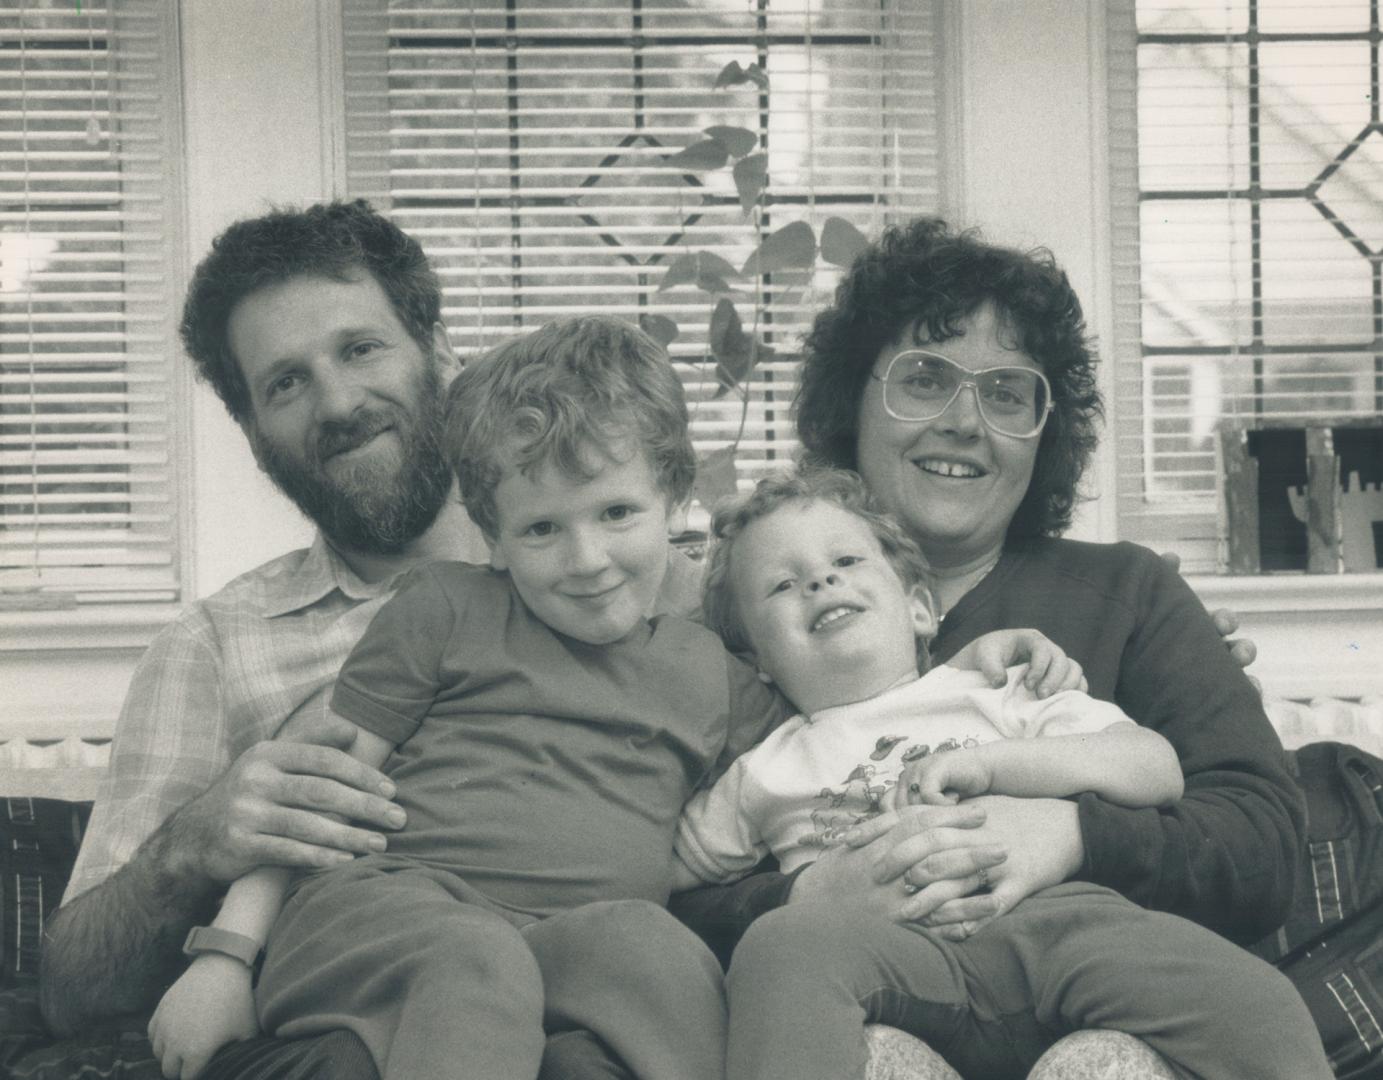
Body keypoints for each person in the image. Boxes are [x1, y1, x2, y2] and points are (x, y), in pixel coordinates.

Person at [37, 202, 693, 1080]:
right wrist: (193, 847)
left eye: (359, 349)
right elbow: (71, 989)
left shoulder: (652, 582)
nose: (339, 402)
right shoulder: (213, 645)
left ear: (437, 350)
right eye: (285, 383)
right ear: (252, 433)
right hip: (352, 1007)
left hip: (596, 970)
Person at [668, 217, 1306, 1076]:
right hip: (878, 992)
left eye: (1006, 393)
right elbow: (663, 884)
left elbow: (1259, 844)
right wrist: (803, 896)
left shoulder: (1126, 594)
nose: (965, 421)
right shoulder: (738, 632)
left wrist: (1069, 834)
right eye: (924, 378)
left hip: (1092, 984)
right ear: (850, 397)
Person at [673, 467, 1329, 1080]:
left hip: (1062, 926)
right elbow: (668, 878)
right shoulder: (764, 770)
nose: (820, 582)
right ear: (754, 659)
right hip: (898, 958)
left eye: (845, 562)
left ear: (919, 607)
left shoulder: (995, 688)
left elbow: (1155, 769)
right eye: (783, 585)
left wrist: (991, 763)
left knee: (1257, 1000)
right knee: (782, 947)